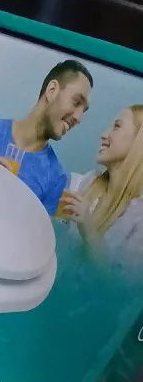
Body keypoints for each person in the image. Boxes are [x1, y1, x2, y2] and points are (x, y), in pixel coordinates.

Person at [0, 59, 93, 215]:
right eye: (76, 102)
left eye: (83, 111)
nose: (79, 118)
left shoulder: (56, 177)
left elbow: (40, 231)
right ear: (52, 90)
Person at [59, 105, 143, 267]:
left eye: (117, 126)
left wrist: (88, 230)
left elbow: (118, 282)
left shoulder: (139, 216)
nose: (104, 135)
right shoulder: (89, 182)